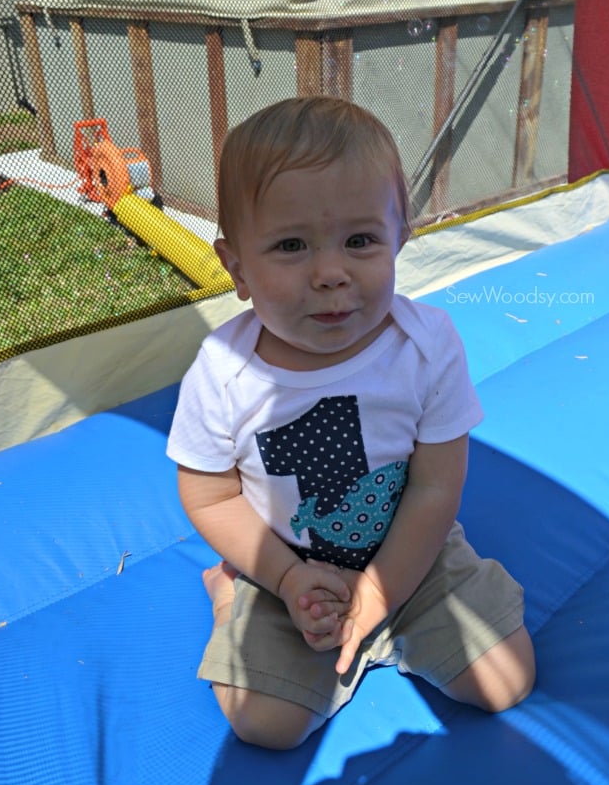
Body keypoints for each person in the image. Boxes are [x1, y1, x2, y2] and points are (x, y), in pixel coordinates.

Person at [167, 96, 535, 750]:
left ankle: (390, 626)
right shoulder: (223, 370)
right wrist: (280, 577)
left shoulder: (426, 346)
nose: (331, 273)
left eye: (360, 241)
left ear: (401, 237)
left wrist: (382, 590)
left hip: (409, 553)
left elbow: (433, 487)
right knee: (266, 724)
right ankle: (227, 594)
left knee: (505, 679)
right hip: (289, 565)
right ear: (237, 268)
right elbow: (210, 491)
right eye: (290, 245)